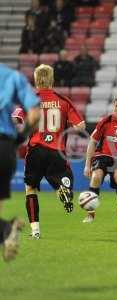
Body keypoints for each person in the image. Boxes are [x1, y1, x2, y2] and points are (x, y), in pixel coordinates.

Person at [23, 64, 85, 239]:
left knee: (31, 188)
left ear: (36, 79)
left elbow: (17, 117)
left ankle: (35, 231)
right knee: (60, 182)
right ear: (52, 79)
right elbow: (81, 125)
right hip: (56, 150)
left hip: (35, 150)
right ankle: (62, 191)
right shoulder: (63, 100)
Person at [0, 64, 41, 261]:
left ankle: (6, 228)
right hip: (5, 148)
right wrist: (18, 138)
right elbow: (35, 114)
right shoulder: (12, 76)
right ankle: (6, 232)